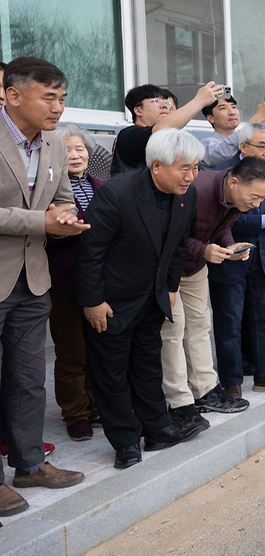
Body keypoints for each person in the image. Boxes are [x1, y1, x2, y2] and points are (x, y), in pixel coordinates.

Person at [76, 129, 207, 470]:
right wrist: (93, 300)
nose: (191, 176)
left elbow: (179, 244)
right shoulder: (117, 193)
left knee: (148, 367)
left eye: (195, 167)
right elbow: (90, 252)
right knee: (112, 374)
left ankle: (159, 429)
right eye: (184, 168)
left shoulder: (185, 195)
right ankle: (125, 442)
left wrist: (172, 286)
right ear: (157, 166)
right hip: (112, 301)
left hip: (153, 299)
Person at [0, 57, 87, 515]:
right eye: (47, 97)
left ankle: (30, 463)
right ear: (13, 95)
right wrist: (42, 221)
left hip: (34, 281)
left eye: (62, 98)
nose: (57, 107)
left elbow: (63, 197)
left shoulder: (54, 143)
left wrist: (67, 218)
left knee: (29, 379)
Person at [159, 157, 265, 433]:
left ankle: (206, 390)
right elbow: (168, 234)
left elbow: (222, 228)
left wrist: (230, 246)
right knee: (173, 332)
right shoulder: (196, 190)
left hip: (196, 268)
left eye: (263, 197)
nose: (258, 204)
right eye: (255, 196)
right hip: (167, 270)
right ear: (234, 182)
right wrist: (205, 250)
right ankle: (179, 402)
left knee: (200, 326)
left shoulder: (233, 197)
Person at [209, 124, 265, 391]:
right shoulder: (225, 172)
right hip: (231, 253)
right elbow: (224, 219)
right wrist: (264, 220)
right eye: (262, 146)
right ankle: (232, 382)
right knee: (229, 323)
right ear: (243, 147)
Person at [46, 125, 102, 441]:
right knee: (71, 351)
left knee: (98, 348)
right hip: (64, 280)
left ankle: (94, 405)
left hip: (100, 281)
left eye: (80, 148)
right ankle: (75, 412)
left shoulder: (101, 186)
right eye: (67, 149)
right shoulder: (49, 190)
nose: (75, 154)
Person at [111, 82, 222, 174]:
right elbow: (160, 129)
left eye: (166, 102)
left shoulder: (167, 138)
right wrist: (199, 101)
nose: (164, 105)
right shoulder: (129, 135)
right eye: (156, 101)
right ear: (138, 110)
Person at [199, 93, 265, 170]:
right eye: (223, 108)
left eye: (234, 107)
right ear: (210, 118)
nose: (232, 112)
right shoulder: (205, 147)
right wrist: (258, 118)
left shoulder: (251, 141)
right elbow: (224, 152)